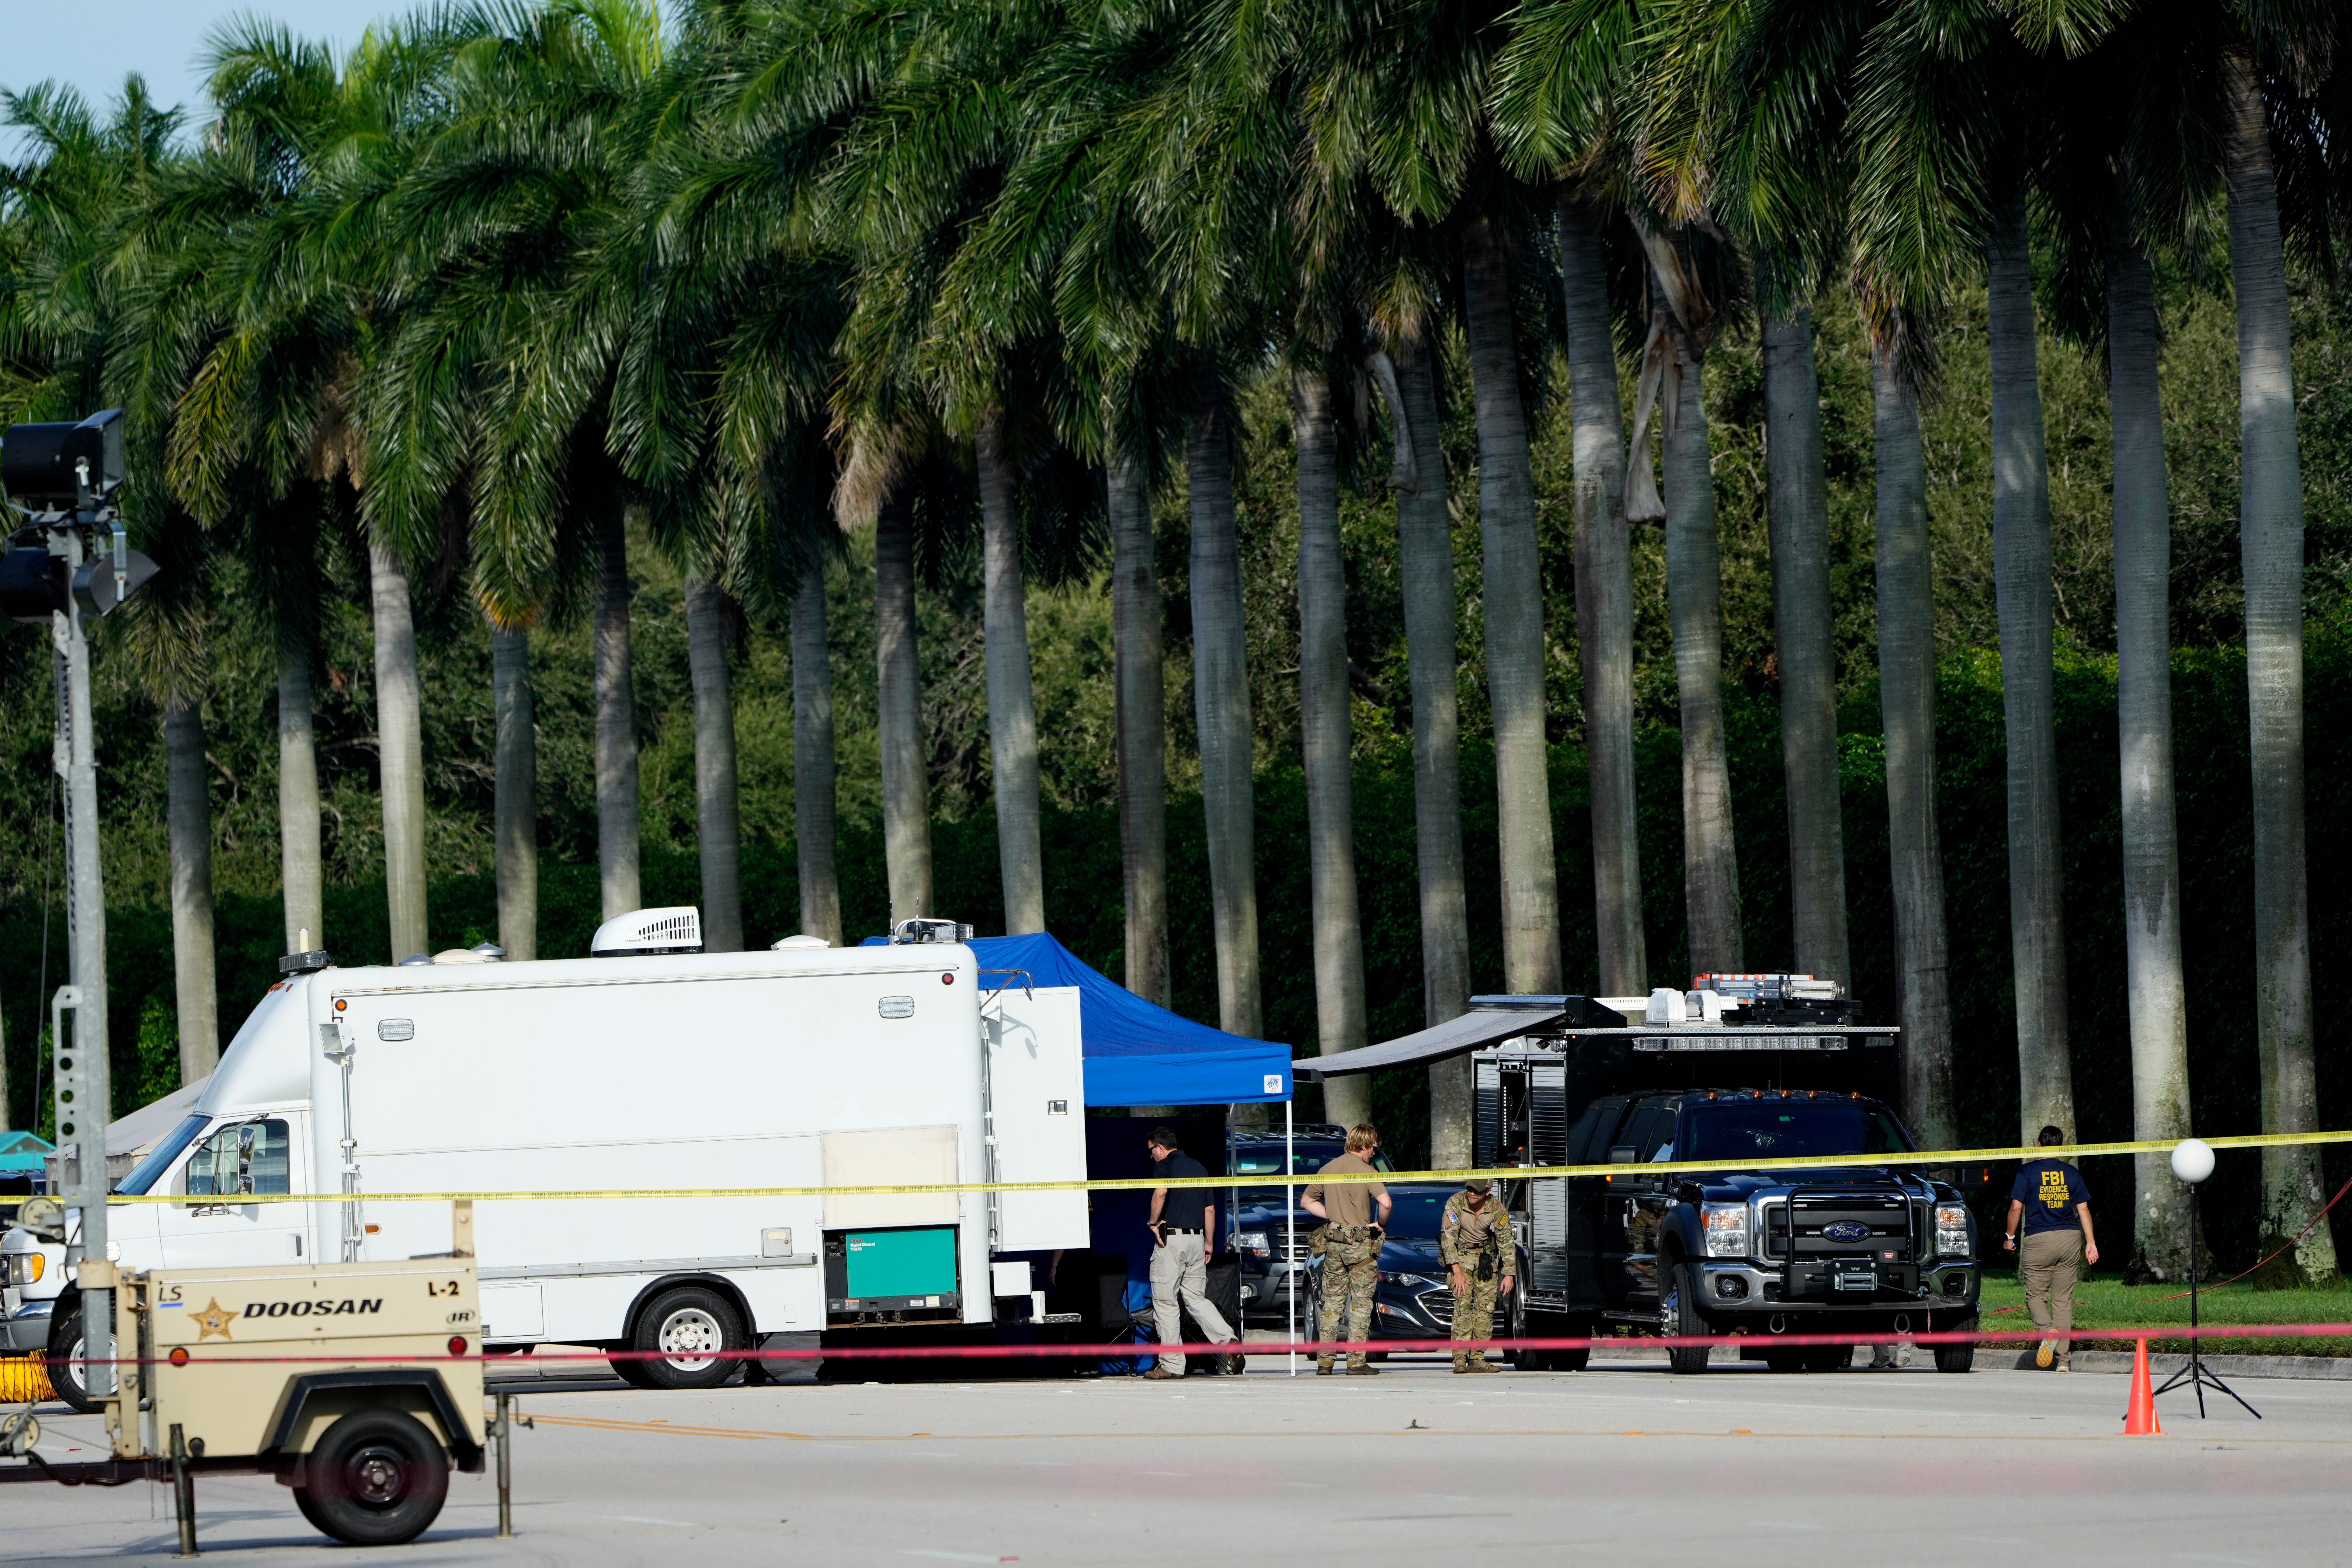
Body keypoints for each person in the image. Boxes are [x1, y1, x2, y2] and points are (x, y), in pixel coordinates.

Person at [1142, 1126, 1239, 1380]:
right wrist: (1209, 1243)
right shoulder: (1200, 1168)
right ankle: (1228, 1340)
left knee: (1165, 1303)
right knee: (1197, 1299)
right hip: (1197, 1241)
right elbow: (1210, 1211)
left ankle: (1172, 1365)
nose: (1151, 1155)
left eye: (1151, 1150)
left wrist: (1153, 1223)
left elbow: (1160, 1192)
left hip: (1171, 1242)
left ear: (1160, 1148)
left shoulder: (1165, 1165)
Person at [2005, 1125, 2100, 1372]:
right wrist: (2090, 1242)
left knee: (2035, 1295)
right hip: (2069, 1237)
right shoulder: (2071, 1172)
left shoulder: (2027, 1171)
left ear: (2038, 1145)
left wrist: (2009, 1237)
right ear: (2061, 1145)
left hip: (2038, 1239)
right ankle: (2064, 1362)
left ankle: (2047, 1332)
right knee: (2063, 1300)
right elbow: (2083, 1209)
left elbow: (2016, 1208)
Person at [1301, 1122, 1391, 1375]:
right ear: (1363, 1145)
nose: (1374, 1152)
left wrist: (1333, 1215)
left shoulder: (1328, 1169)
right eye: (1373, 1147)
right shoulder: (1367, 1172)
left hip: (1334, 1245)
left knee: (1332, 1302)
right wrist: (1380, 1224)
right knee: (1361, 1303)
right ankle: (1356, 1361)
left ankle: (1325, 1361)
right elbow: (1386, 1202)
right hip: (1360, 1244)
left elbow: (1307, 1201)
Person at [1439, 1178, 1515, 1374]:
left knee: (1486, 1308)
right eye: (1470, 1189)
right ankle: (1461, 1358)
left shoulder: (1496, 1207)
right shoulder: (1455, 1203)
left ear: (1487, 1193)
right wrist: (1456, 1272)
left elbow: (1506, 1239)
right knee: (1463, 1306)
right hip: (1460, 1257)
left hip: (1484, 1259)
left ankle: (1478, 1357)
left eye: (1477, 1192)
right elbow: (1448, 1240)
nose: (1472, 1194)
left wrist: (1509, 1274)